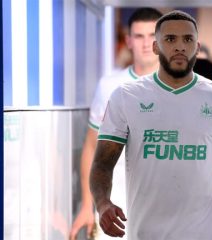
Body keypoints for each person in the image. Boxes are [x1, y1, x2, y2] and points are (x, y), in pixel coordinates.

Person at [89, 10, 212, 239]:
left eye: (187, 39)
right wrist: (102, 204)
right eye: (170, 39)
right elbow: (102, 164)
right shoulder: (126, 97)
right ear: (156, 47)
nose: (180, 46)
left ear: (197, 48)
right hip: (146, 233)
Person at [69, 8, 163, 240]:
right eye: (139, 36)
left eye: (152, 36)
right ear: (128, 41)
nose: (145, 44)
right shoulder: (109, 86)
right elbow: (92, 147)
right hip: (116, 208)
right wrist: (88, 205)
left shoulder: (182, 88)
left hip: (166, 208)